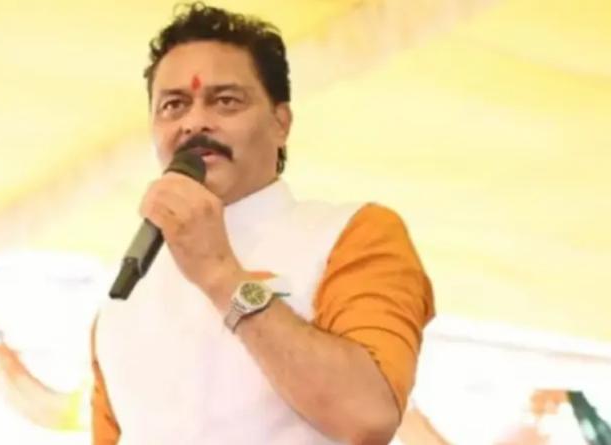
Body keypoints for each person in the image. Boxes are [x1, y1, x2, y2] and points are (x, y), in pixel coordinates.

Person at [90, 3, 434, 444]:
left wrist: (222, 276)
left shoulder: (352, 233)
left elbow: (367, 416)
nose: (195, 122)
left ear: (280, 123)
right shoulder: (123, 291)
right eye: (174, 105)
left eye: (225, 101)